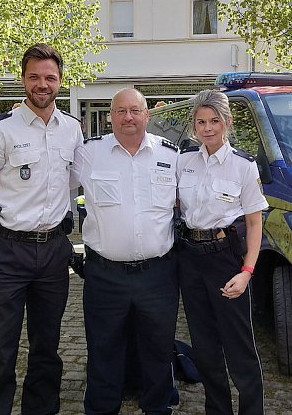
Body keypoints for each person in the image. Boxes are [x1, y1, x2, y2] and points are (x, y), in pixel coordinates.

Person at [0, 43, 83, 415]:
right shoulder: (2, 130)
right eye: (34, 77)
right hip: (9, 253)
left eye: (50, 77)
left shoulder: (73, 131)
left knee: (47, 346)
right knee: (1, 346)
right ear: (23, 80)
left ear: (60, 81)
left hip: (54, 252)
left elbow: (90, 184)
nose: (42, 84)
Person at [74, 88, 179, 415]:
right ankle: (102, 408)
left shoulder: (171, 155)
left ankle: (158, 407)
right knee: (103, 347)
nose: (128, 117)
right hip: (105, 274)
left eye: (135, 110)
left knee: (158, 348)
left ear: (147, 115)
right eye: (120, 111)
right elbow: (48, 185)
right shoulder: (88, 154)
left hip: (158, 274)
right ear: (110, 116)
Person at [176, 90, 268, 415]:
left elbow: (255, 225)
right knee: (204, 348)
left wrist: (246, 272)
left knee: (239, 347)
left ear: (226, 122)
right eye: (201, 121)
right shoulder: (183, 161)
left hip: (226, 258)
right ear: (194, 125)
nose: (208, 128)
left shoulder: (243, 166)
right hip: (190, 258)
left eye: (214, 120)